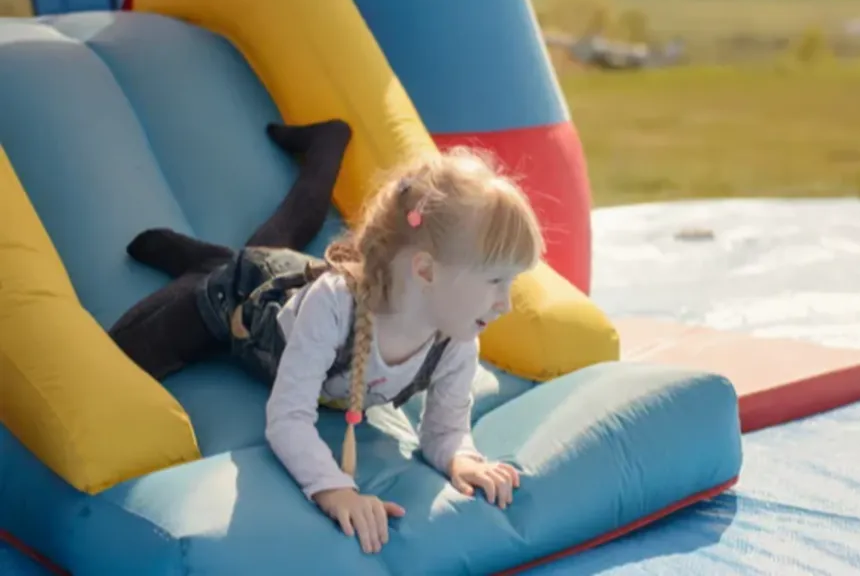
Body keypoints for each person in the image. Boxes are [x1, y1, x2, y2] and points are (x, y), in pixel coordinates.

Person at [114, 138, 545, 556]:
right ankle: (204, 262)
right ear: (426, 271)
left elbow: (444, 431)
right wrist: (334, 489)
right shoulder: (335, 306)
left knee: (272, 245)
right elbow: (287, 419)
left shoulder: (455, 338)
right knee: (132, 349)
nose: (505, 304)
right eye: (495, 281)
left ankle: (325, 144)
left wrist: (460, 458)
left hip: (299, 283)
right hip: (245, 298)